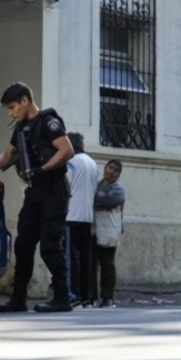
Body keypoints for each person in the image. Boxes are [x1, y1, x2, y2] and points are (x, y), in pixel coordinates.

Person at [0, 82, 74, 313]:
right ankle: (18, 299)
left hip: (53, 192)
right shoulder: (21, 128)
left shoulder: (48, 122)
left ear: (25, 100)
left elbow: (66, 150)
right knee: (23, 245)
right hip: (35, 193)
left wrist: (43, 169)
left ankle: (62, 298)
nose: (11, 112)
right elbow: (7, 156)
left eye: (13, 107)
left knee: (49, 247)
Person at [65, 132, 98, 308]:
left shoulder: (71, 163)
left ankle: (74, 293)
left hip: (71, 216)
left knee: (71, 259)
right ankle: (87, 296)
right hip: (87, 217)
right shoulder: (92, 163)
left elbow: (65, 185)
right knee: (86, 259)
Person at [94, 159, 125, 308]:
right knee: (91, 264)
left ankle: (108, 296)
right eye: (110, 167)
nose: (111, 171)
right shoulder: (96, 185)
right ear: (105, 168)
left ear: (118, 174)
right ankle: (91, 295)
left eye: (115, 170)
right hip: (94, 229)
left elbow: (110, 201)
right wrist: (99, 196)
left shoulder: (118, 188)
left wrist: (98, 197)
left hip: (109, 230)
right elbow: (95, 199)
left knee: (107, 264)